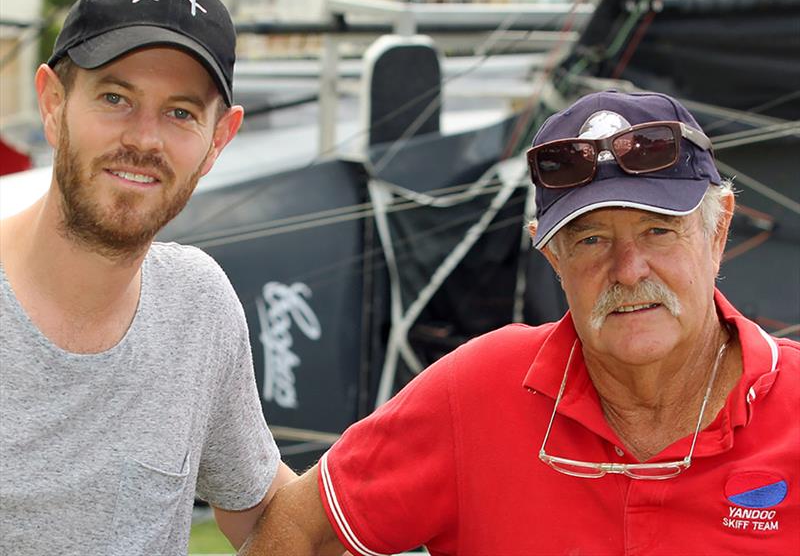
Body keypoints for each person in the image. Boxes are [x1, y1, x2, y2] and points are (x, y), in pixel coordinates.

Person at [240, 90, 799, 555]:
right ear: (553, 258)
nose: (628, 271)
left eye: (658, 230)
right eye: (591, 240)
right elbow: (300, 529)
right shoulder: (478, 390)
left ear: (718, 231)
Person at [0, 0, 295, 554]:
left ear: (218, 140)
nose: (144, 139)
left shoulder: (198, 304)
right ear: (53, 103)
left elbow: (265, 514)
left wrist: (404, 473)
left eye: (181, 112)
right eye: (115, 97)